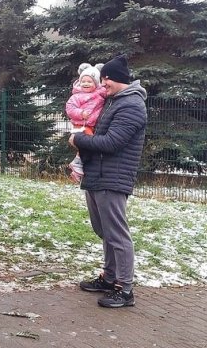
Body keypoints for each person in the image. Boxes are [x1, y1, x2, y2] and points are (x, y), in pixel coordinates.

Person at [68, 54, 147, 308]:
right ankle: (109, 277)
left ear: (115, 79)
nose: (103, 86)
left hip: (113, 178)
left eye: (106, 81)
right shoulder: (114, 102)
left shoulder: (132, 105)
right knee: (104, 231)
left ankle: (124, 289)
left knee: (117, 234)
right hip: (98, 175)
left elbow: (112, 143)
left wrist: (78, 140)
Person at [65, 63, 106, 182]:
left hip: (93, 125)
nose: (86, 84)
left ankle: (78, 168)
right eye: (83, 81)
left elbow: (106, 92)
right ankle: (77, 164)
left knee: (90, 145)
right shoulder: (77, 96)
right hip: (81, 125)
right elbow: (70, 108)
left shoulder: (100, 93)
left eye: (90, 81)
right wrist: (81, 113)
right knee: (88, 143)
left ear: (96, 83)